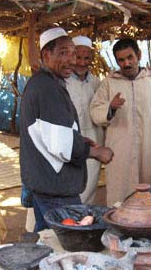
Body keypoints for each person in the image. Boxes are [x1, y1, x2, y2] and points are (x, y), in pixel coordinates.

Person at [19, 27, 114, 232]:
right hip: (54, 186)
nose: (71, 60)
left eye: (72, 53)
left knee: (47, 236)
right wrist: (95, 151)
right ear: (46, 54)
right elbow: (59, 143)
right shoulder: (47, 88)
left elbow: (49, 132)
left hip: (46, 182)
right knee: (65, 237)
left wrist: (80, 140)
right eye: (63, 53)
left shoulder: (48, 83)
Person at [90, 38, 151, 206]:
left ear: (138, 55)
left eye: (130, 57)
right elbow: (95, 111)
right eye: (121, 60)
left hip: (150, 150)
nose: (127, 63)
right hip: (120, 153)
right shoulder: (109, 83)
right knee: (121, 201)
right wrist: (110, 108)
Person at [66, 36, 103, 204]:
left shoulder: (97, 83)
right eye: (78, 57)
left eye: (86, 58)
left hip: (93, 141)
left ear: (92, 59)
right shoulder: (62, 81)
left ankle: (82, 224)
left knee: (88, 186)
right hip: (67, 141)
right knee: (67, 185)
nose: (81, 62)